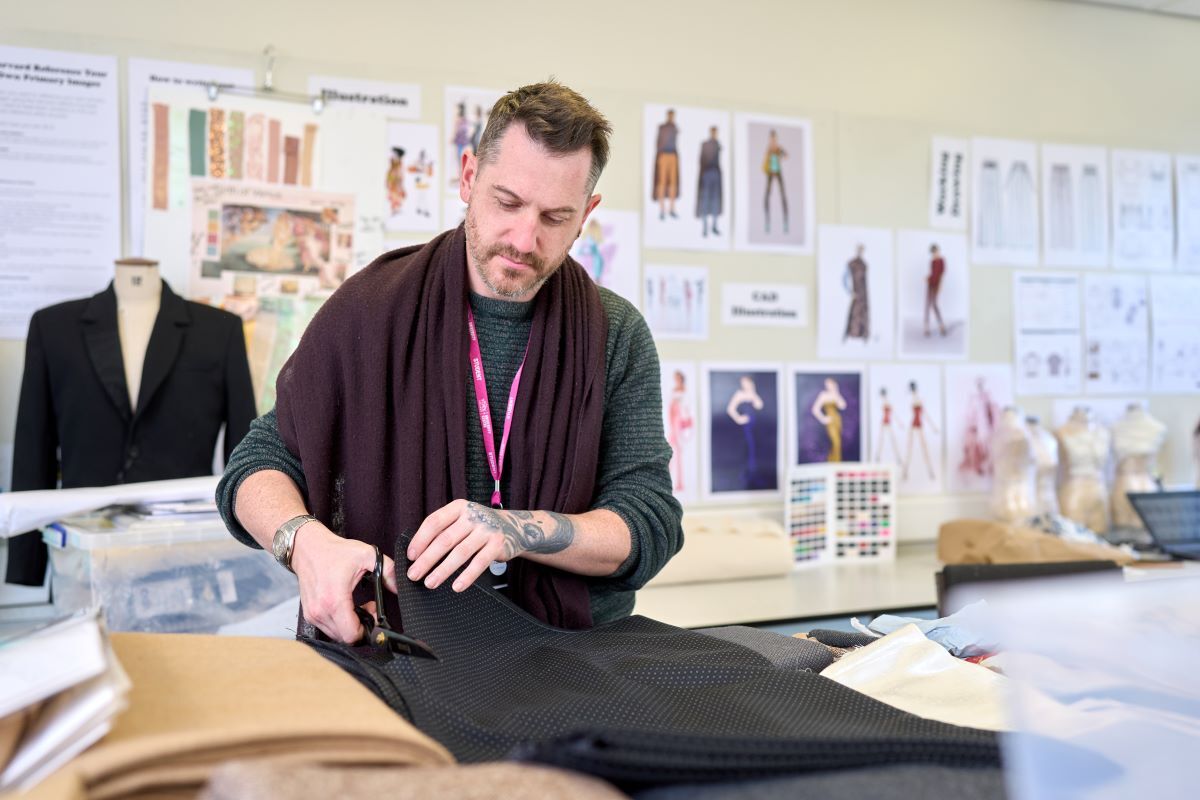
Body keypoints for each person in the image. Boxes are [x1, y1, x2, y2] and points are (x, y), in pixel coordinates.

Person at [216, 81, 683, 644]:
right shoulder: (369, 310)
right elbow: (255, 464)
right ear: (468, 177)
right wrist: (303, 542)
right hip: (398, 647)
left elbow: (649, 520)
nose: (523, 238)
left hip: (570, 654)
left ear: (587, 213)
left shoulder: (615, 334)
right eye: (507, 202)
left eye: (555, 217)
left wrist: (520, 530)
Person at [725, 375, 764, 487]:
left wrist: (753, 392)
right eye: (742, 383)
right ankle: (746, 474)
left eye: (746, 382)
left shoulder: (752, 394)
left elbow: (759, 405)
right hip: (745, 428)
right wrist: (738, 419)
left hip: (755, 427)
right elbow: (730, 409)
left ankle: (753, 474)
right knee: (748, 449)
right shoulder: (739, 394)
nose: (744, 385)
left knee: (755, 450)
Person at [652, 109, 680, 220]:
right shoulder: (662, 128)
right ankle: (662, 209)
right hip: (663, 156)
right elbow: (658, 142)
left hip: (673, 156)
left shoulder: (675, 128)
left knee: (673, 183)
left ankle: (672, 209)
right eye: (670, 115)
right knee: (661, 183)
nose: (671, 117)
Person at [810, 378, 847, 463]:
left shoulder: (836, 395)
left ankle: (837, 462)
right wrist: (823, 418)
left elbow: (843, 406)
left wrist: (837, 393)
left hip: (837, 420)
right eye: (827, 384)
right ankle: (832, 461)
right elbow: (815, 409)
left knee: (838, 442)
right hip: (830, 421)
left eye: (830, 384)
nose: (828, 386)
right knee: (835, 442)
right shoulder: (823, 395)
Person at [696, 125, 723, 237]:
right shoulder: (705, 144)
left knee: (715, 200)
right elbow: (701, 160)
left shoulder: (718, 145)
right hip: (707, 174)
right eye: (713, 132)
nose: (714, 134)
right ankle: (705, 228)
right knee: (705, 200)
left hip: (715, 174)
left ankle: (714, 226)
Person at [762, 129, 788, 234]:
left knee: (783, 195)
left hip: (777, 172)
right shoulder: (768, 149)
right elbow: (765, 161)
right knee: (767, 196)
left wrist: (780, 156)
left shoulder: (778, 148)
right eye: (771, 138)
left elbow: (786, 155)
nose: (773, 140)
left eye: (774, 138)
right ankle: (767, 222)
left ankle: (785, 222)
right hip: (770, 173)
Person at [843, 244, 869, 342]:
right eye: (859, 250)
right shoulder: (851, 263)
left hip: (864, 293)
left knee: (863, 312)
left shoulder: (864, 264)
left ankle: (862, 334)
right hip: (856, 292)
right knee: (854, 312)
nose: (860, 252)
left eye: (862, 250)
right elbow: (844, 278)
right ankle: (851, 333)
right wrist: (850, 291)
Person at [925, 243, 947, 337]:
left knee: (934, 304)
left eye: (937, 251)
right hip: (930, 283)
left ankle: (941, 326)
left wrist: (940, 285)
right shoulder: (932, 261)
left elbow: (941, 274)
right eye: (934, 252)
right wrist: (927, 278)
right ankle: (926, 328)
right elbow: (932, 273)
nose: (936, 253)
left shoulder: (942, 260)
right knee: (928, 304)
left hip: (937, 284)